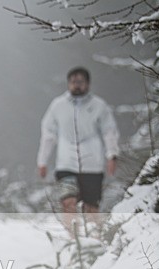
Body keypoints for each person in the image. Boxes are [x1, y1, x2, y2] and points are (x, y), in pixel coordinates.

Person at [37, 66, 120, 230]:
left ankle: (93, 243)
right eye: (73, 82)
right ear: (68, 84)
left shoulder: (99, 106)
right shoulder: (58, 106)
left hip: (92, 166)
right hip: (65, 164)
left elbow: (109, 131)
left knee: (91, 208)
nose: (77, 85)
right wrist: (42, 161)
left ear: (88, 84)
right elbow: (48, 134)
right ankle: (74, 241)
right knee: (68, 202)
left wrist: (112, 155)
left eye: (80, 82)